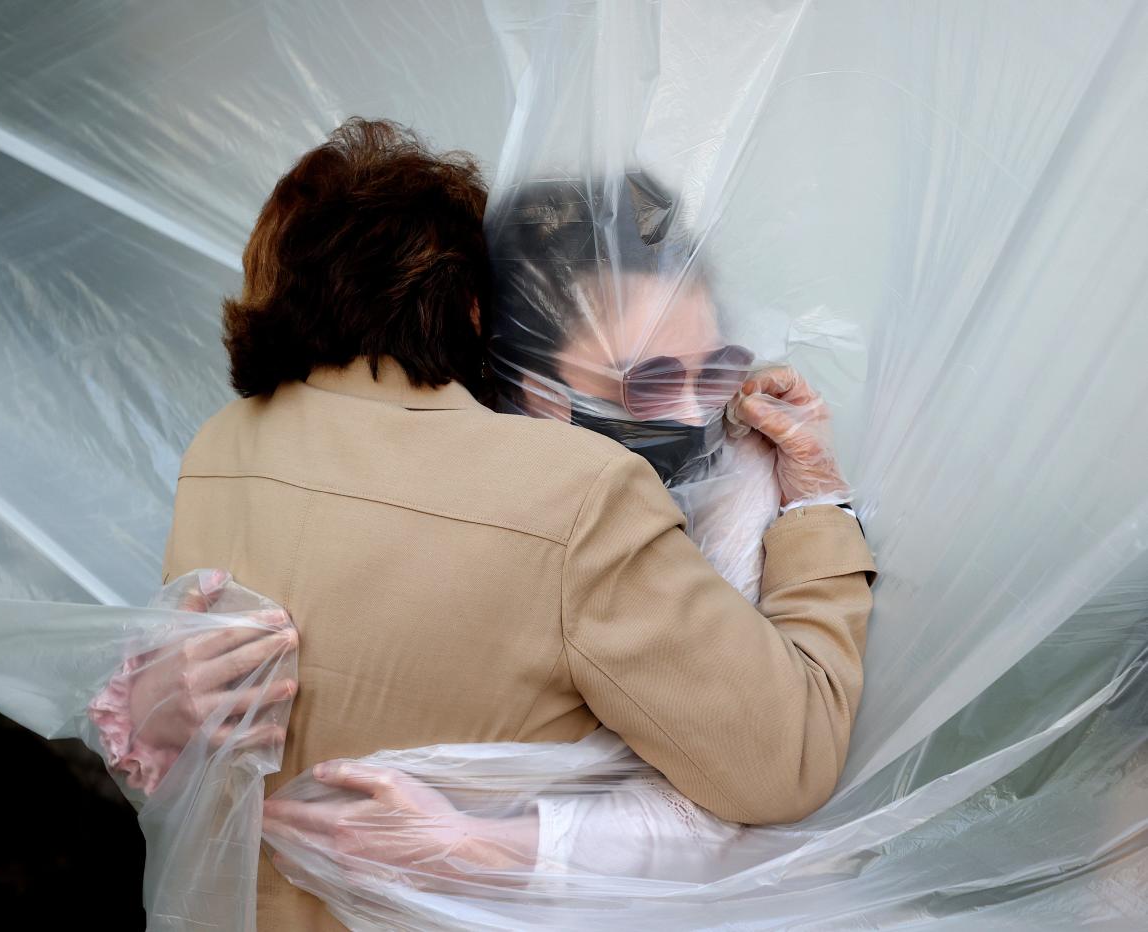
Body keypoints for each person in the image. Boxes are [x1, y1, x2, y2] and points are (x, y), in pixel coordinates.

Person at [154, 117, 875, 930]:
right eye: (644, 382)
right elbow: (785, 762)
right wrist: (817, 511)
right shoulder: (577, 492)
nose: (694, 411)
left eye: (713, 371)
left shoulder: (215, 454)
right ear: (481, 316)